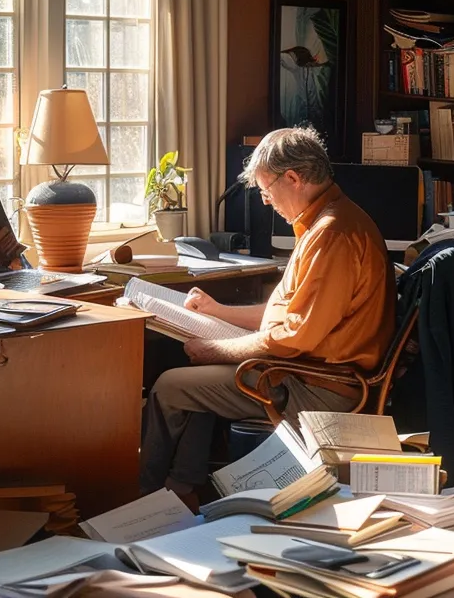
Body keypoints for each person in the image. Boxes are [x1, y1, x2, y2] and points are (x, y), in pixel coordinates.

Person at [139, 127, 395, 506]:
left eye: (266, 190)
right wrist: (217, 311)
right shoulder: (329, 222)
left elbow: (295, 337)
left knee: (171, 385)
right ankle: (182, 489)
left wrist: (218, 350)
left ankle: (139, 496)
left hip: (318, 386)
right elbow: (292, 317)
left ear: (293, 178)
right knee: (191, 381)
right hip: (304, 370)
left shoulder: (331, 235)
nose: (265, 201)